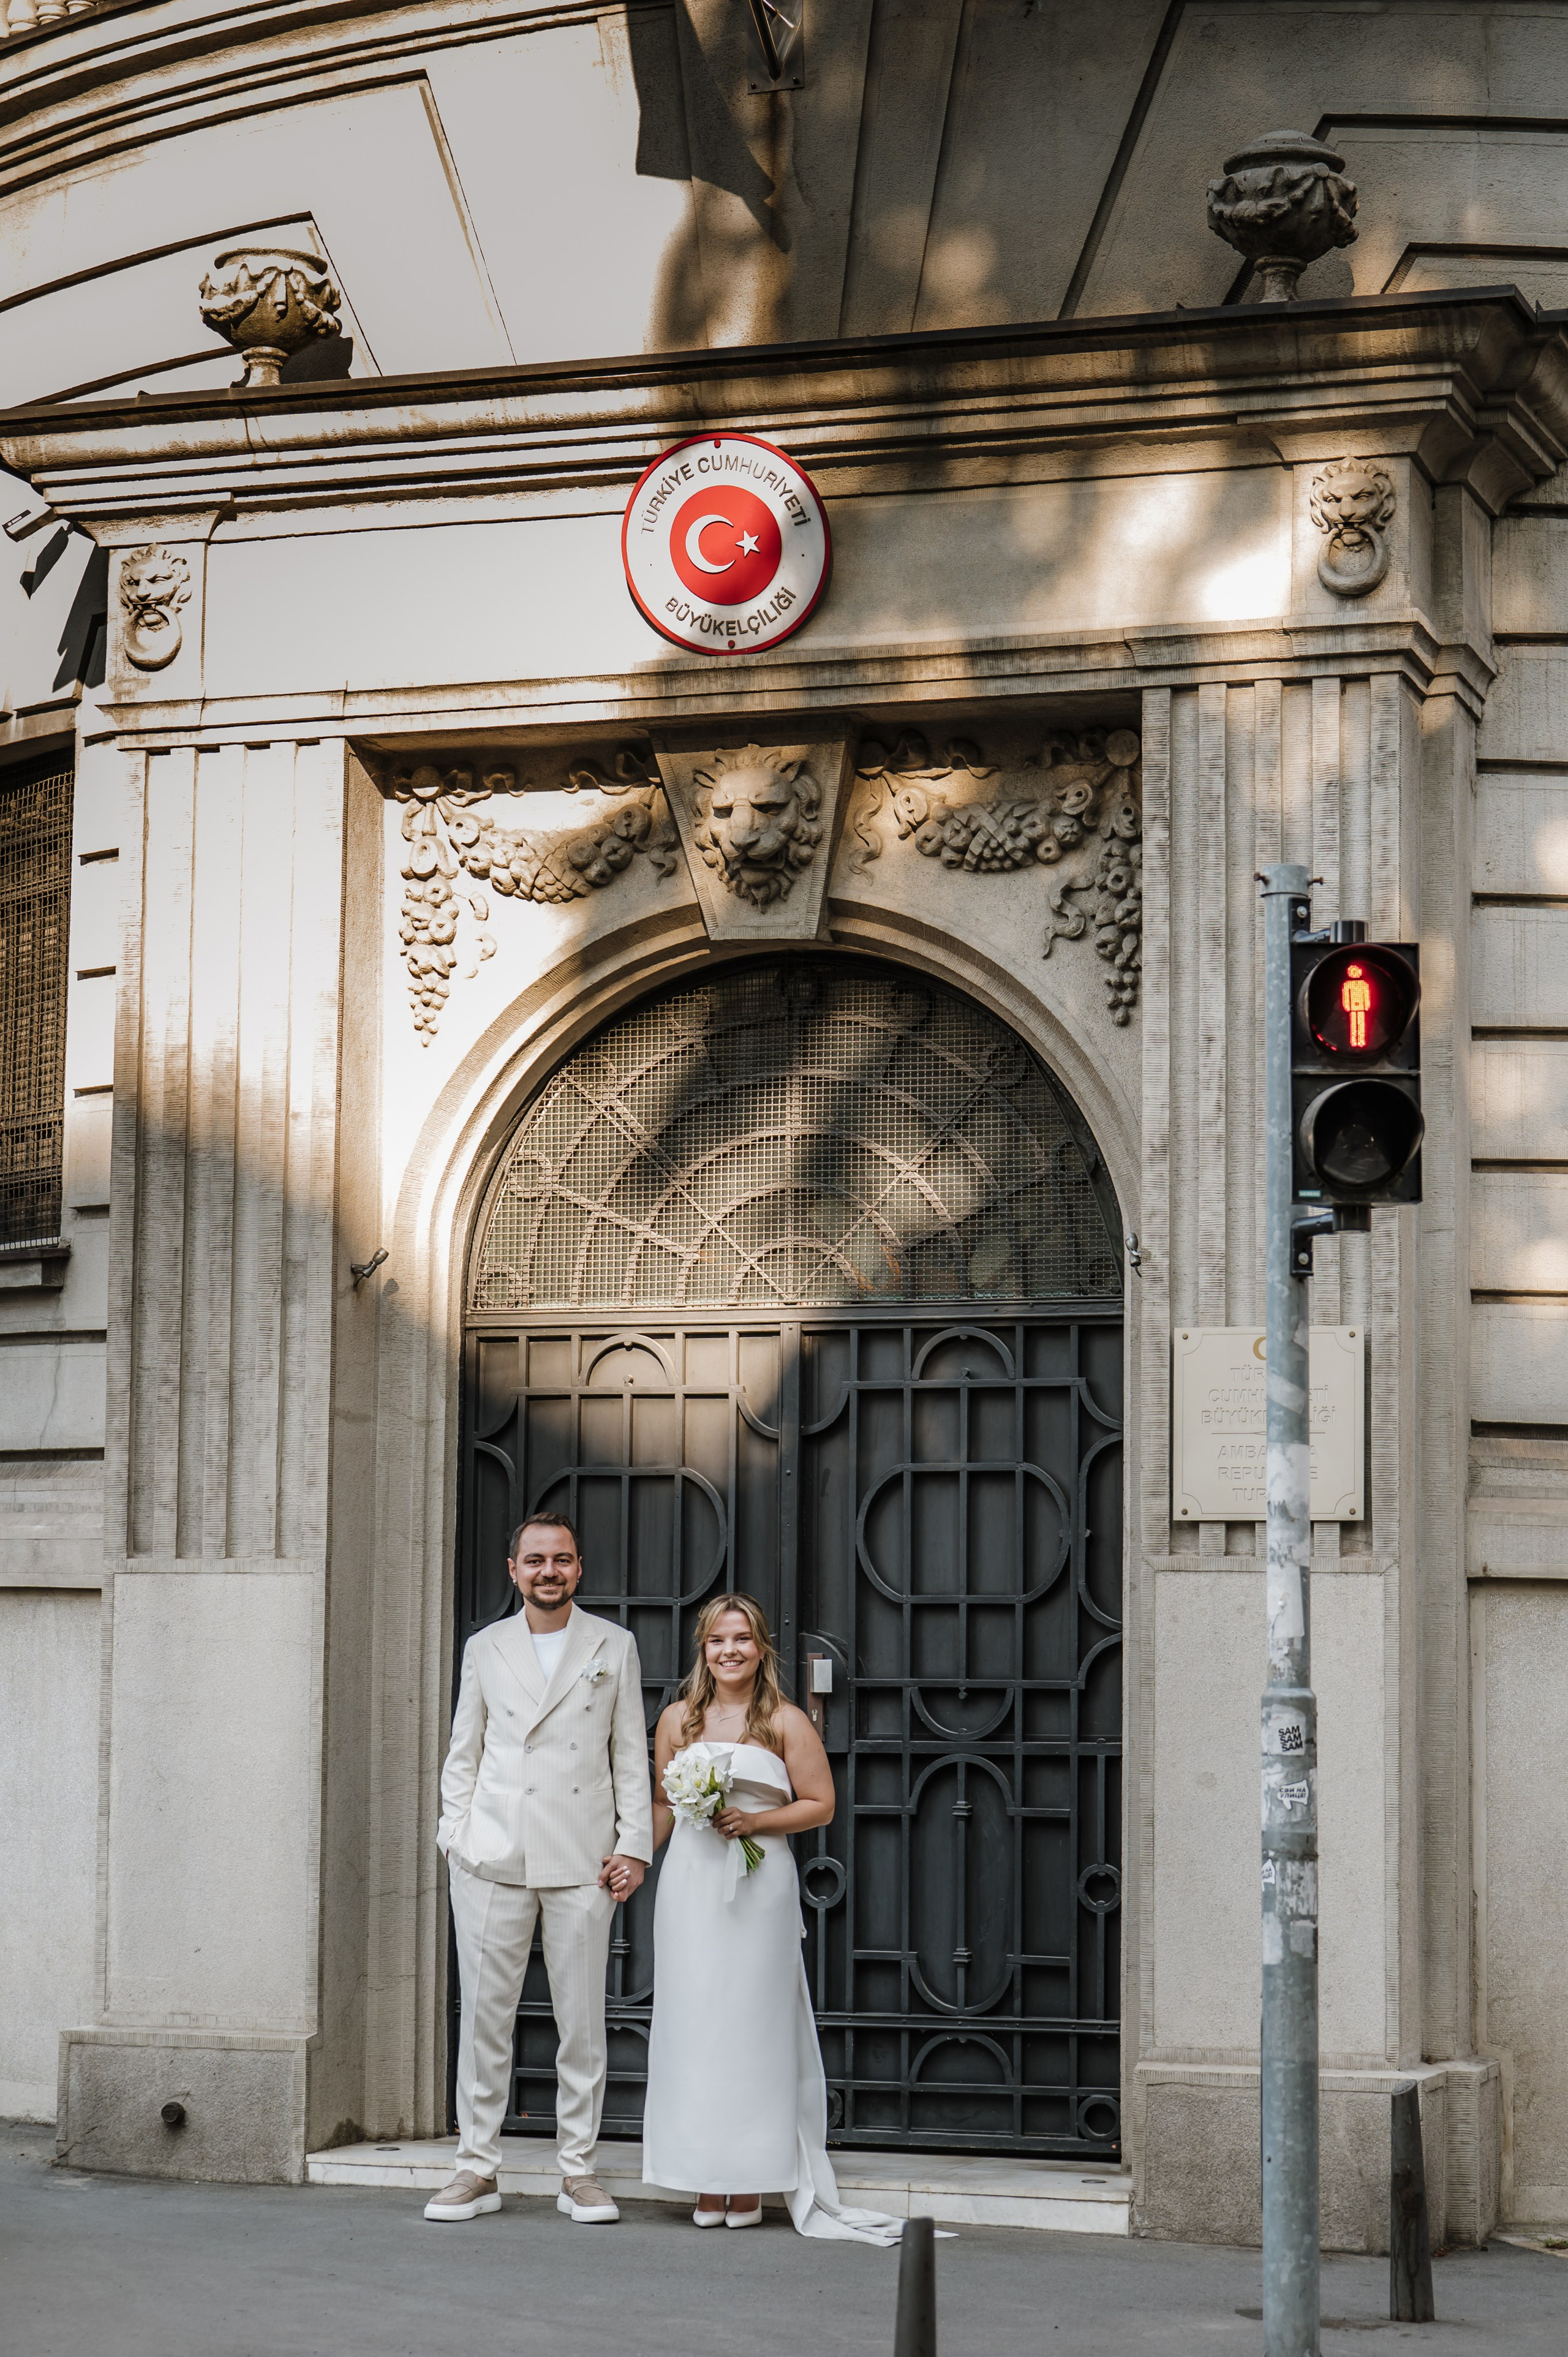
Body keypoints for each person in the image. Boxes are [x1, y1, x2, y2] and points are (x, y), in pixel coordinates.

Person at [641, 1593, 905, 2244]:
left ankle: (752, 2174)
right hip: (692, 1885)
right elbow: (661, 1805)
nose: (729, 1650)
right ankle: (705, 2172)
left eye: (742, 1638)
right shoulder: (678, 1718)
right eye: (716, 1640)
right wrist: (630, 1857)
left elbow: (821, 1804)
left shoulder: (783, 1719)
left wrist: (754, 1820)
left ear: (761, 1647)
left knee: (753, 2023)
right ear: (701, 1648)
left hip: (760, 1884)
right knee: (695, 2020)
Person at [426, 1514, 652, 2225]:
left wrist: (635, 1844)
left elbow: (629, 1755)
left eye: (560, 1559)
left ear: (579, 1567)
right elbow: (465, 1749)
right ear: (513, 1568)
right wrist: (454, 1836)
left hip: (583, 1858)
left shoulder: (613, 1644)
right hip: (492, 1855)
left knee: (580, 2024)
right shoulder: (484, 1646)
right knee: (484, 2022)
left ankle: (578, 2171)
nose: (547, 1570)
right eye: (534, 1559)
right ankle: (475, 2167)